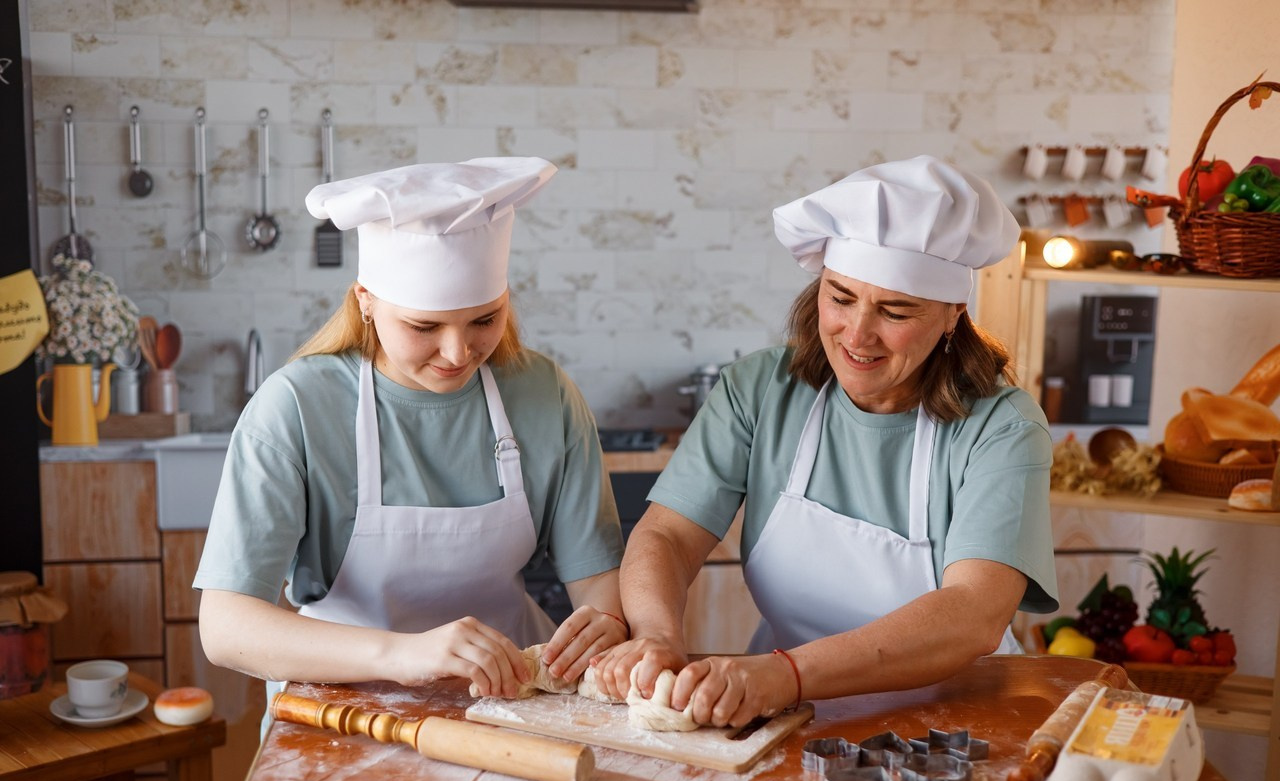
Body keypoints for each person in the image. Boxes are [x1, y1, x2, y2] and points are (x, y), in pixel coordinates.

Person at [594, 155, 1059, 727]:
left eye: (895, 310)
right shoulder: (761, 388)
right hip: (786, 709)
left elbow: (973, 613)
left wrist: (785, 674)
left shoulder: (1003, 427)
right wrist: (657, 632)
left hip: (953, 720)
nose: (858, 334)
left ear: (951, 315)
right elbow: (667, 533)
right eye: (840, 298)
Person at [196, 158, 626, 707]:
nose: (458, 353)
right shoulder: (296, 407)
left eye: (484, 321)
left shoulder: (544, 395)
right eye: (424, 327)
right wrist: (405, 656)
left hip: (511, 705)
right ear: (365, 301)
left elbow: (596, 579)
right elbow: (226, 628)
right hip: (343, 708)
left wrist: (606, 621)